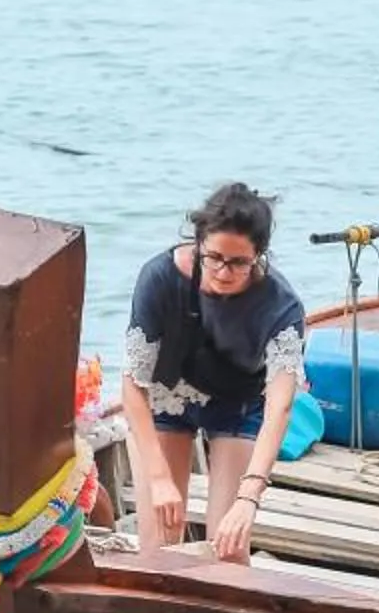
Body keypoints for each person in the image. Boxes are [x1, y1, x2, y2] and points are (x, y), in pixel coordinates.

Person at [122, 184, 307, 564]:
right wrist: (159, 479)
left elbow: (280, 406)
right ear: (198, 244)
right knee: (159, 544)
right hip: (165, 395)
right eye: (214, 258)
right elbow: (132, 385)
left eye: (239, 262)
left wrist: (249, 497)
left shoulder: (281, 304)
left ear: (259, 255)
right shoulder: (159, 278)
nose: (224, 272)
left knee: (229, 548)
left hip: (237, 402)